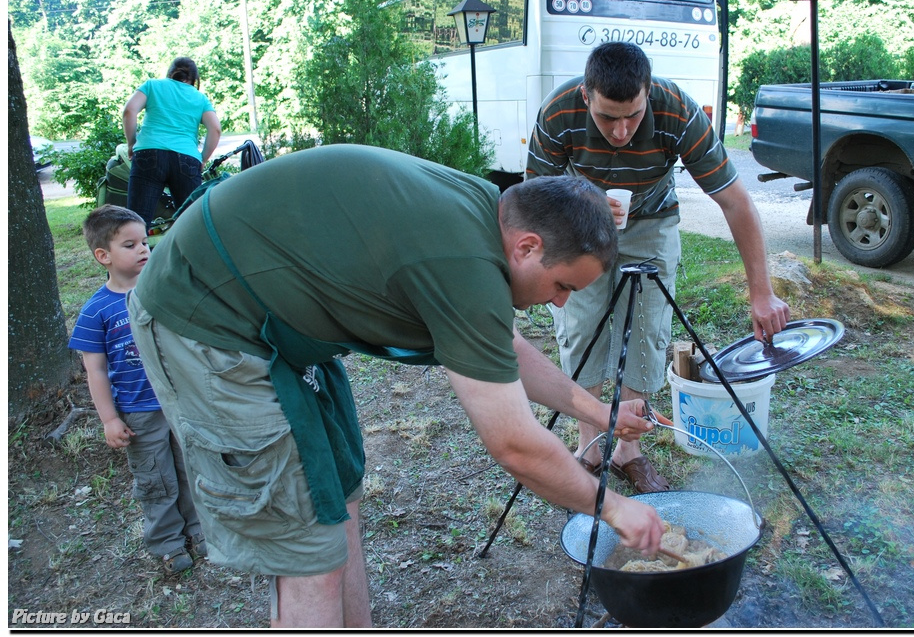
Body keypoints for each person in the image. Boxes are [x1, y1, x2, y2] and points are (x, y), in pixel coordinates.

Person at [126, 144, 667, 627]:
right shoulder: (464, 263)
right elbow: (516, 446)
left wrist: (601, 415)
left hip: (276, 323)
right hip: (208, 320)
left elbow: (505, 347)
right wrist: (615, 508)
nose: (561, 302)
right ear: (527, 247)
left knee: (339, 505)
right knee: (308, 554)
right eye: (562, 285)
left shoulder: (485, 214)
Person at [527, 41, 791, 493]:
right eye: (608, 117)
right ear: (586, 96)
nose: (621, 129)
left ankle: (629, 450)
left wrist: (761, 292)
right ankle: (591, 447)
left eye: (632, 114)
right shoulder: (557, 114)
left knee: (647, 330)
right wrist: (586, 204)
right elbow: (532, 200)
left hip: (652, 221)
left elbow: (736, 202)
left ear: (648, 92)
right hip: (579, 223)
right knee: (582, 327)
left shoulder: (678, 113)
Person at [68, 205, 205, 575]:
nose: (144, 249)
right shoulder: (97, 310)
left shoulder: (163, 291)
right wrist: (110, 419)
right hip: (140, 411)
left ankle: (201, 528)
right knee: (155, 477)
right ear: (103, 256)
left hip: (178, 402)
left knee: (191, 467)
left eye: (145, 241)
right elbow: (95, 370)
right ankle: (167, 542)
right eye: (130, 244)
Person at [122, 56, 222, 230]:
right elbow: (215, 129)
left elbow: (129, 111)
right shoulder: (200, 98)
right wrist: (203, 158)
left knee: (138, 222)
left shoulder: (152, 86)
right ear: (195, 79)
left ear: (170, 72)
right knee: (192, 224)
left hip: (148, 154)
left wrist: (131, 143)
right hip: (187, 159)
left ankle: (142, 257)